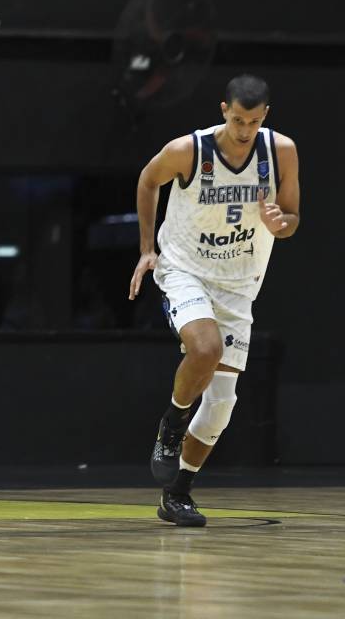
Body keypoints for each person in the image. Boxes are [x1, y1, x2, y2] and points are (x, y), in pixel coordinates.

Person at [128, 74, 300, 526]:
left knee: (222, 405)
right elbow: (147, 181)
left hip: (239, 284)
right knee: (206, 349)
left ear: (265, 116)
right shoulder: (189, 150)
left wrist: (281, 224)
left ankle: (176, 494)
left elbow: (292, 218)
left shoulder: (281, 151)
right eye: (238, 120)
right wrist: (146, 249)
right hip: (186, 270)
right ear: (224, 110)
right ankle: (172, 424)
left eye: (254, 122)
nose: (245, 130)